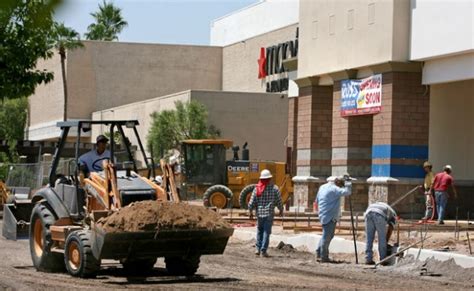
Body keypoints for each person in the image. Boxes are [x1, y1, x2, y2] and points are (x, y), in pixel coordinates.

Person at [315, 175, 352, 263]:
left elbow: (317, 200)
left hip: (323, 214)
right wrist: (348, 183)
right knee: (327, 236)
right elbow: (347, 192)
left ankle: (319, 252)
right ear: (336, 182)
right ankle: (323, 257)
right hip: (330, 215)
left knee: (326, 235)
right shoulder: (334, 189)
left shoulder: (322, 187)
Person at [248, 169, 283, 258]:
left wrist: (250, 212)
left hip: (259, 214)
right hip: (269, 214)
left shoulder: (257, 189)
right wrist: (281, 210)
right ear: (269, 178)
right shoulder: (275, 189)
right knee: (267, 232)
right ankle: (263, 251)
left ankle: (257, 249)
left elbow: (251, 202)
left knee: (259, 231)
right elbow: (279, 201)